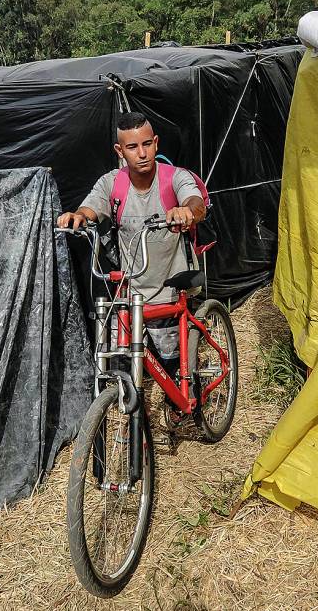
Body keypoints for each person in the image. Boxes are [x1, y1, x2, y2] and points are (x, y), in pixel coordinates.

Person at [57, 112, 207, 414]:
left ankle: (190, 398)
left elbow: (196, 202)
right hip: (129, 292)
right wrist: (79, 217)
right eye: (132, 147)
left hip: (168, 288)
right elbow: (91, 207)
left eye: (147, 144)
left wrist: (186, 211)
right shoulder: (112, 183)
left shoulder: (173, 177)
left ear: (156, 144)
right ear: (119, 151)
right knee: (120, 359)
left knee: (173, 365)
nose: (141, 153)